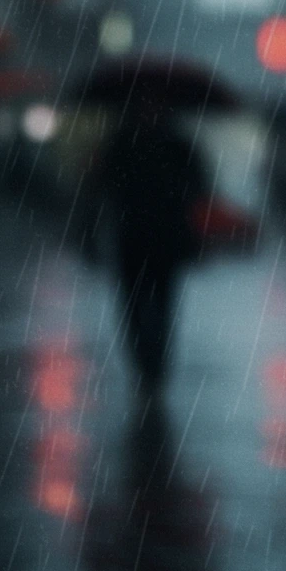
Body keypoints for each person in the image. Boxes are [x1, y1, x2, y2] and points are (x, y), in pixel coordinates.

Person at [98, 103, 208, 393]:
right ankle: (149, 363)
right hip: (143, 237)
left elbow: (199, 189)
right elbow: (199, 187)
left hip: (152, 237)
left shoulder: (126, 142)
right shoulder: (171, 144)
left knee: (155, 301)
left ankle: (152, 363)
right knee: (140, 303)